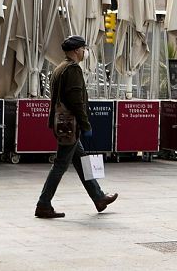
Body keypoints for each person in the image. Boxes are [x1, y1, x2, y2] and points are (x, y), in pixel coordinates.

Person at [35, 35, 118, 218]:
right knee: (60, 165)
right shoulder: (72, 70)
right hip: (70, 125)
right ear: (75, 51)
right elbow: (76, 102)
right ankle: (43, 204)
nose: (85, 52)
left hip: (63, 124)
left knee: (82, 162)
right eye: (83, 49)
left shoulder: (60, 68)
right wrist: (85, 124)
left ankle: (99, 197)